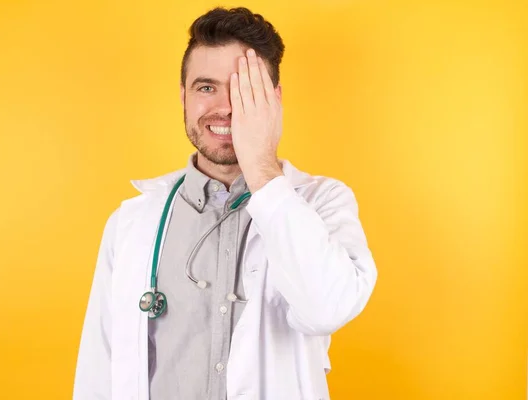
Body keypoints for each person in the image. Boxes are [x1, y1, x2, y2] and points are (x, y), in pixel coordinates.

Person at [73, 6, 377, 400]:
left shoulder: (322, 202)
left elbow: (327, 309)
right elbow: (99, 368)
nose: (225, 107)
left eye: (244, 89)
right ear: (183, 95)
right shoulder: (131, 223)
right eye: (206, 87)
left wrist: (264, 170)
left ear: (275, 100)